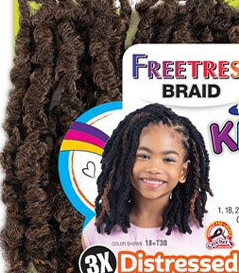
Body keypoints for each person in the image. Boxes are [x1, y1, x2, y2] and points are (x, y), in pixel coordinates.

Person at [82, 103, 213, 254]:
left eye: (168, 159)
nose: (154, 169)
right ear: (124, 161)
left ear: (183, 172)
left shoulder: (207, 230)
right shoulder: (96, 232)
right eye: (143, 156)